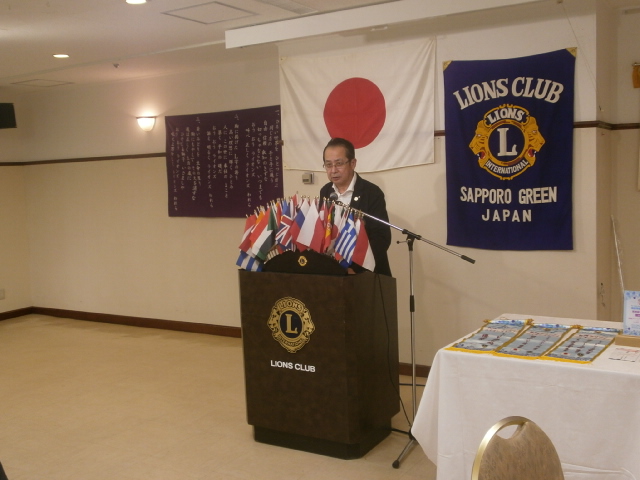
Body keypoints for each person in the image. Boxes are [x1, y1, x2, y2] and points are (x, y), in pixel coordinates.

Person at [320, 138, 392, 276]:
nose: (333, 170)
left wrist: (356, 268)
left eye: (339, 164)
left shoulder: (371, 192)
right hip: (333, 271)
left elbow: (381, 238)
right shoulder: (326, 191)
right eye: (328, 165)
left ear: (353, 163)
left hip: (366, 273)